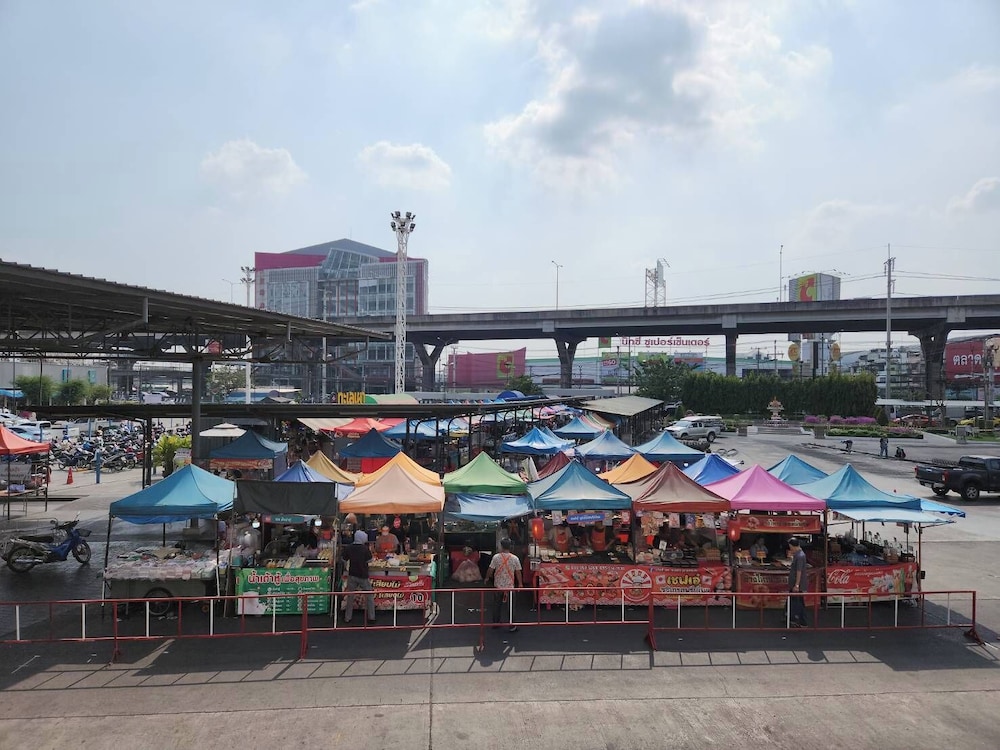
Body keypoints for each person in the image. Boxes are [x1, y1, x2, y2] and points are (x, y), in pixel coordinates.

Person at [485, 538, 523, 632]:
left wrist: (487, 578)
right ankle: (512, 626)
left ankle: (496, 623)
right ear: (510, 547)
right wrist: (520, 583)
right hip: (510, 586)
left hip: (498, 585)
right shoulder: (515, 558)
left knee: (497, 605)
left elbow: (490, 569)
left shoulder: (496, 557)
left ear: (501, 546)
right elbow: (518, 572)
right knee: (511, 607)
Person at [342, 530, 376, 624]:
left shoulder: (349, 547)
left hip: (352, 574)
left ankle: (347, 617)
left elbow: (343, 559)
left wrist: (348, 564)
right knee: (369, 596)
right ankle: (371, 617)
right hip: (363, 575)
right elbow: (370, 560)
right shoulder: (365, 549)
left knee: (350, 596)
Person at [787, 537, 808, 628]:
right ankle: (792, 618)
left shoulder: (800, 556)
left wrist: (797, 585)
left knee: (799, 603)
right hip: (794, 583)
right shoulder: (798, 555)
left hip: (797, 584)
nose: (790, 549)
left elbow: (799, 571)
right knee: (795, 601)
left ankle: (802, 621)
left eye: (790, 547)